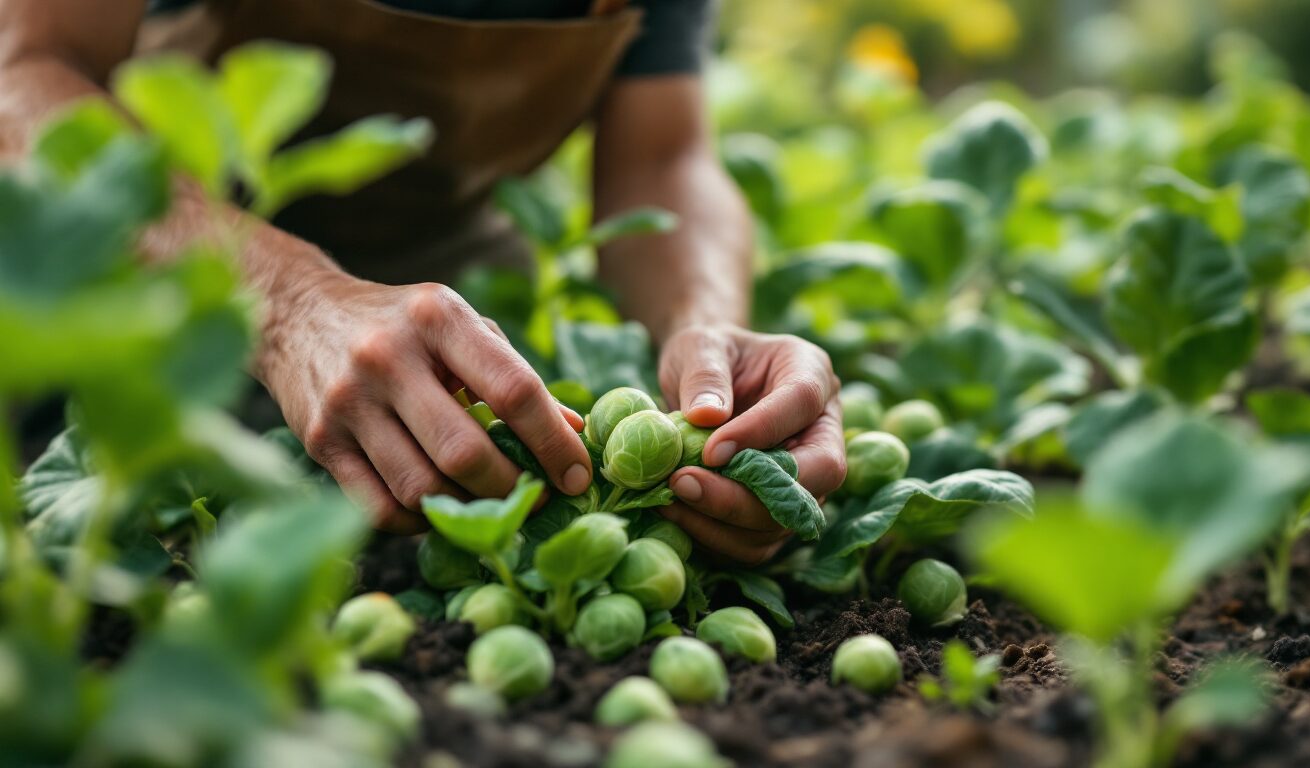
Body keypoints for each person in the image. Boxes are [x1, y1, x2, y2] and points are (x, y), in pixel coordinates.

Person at [0, 0, 845, 564]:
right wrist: (288, 305)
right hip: (127, 287)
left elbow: (664, 154)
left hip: (449, 315)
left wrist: (708, 340)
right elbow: (23, 73)